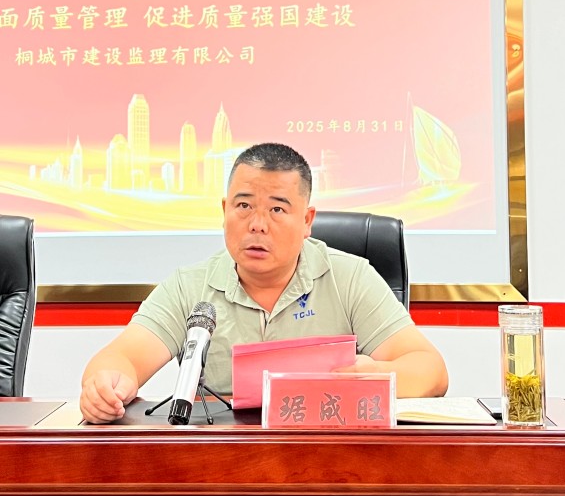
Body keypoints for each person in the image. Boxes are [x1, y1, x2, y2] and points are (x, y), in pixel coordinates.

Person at [80, 142, 448, 423]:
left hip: (328, 454)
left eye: (277, 209)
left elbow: (431, 371)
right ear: (224, 210)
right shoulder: (189, 286)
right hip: (225, 460)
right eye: (243, 206)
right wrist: (105, 386)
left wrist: (375, 376)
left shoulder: (350, 278)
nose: (257, 224)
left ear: (307, 220)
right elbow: (121, 358)